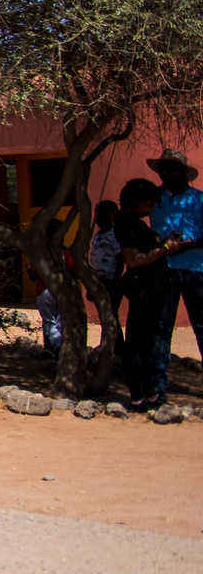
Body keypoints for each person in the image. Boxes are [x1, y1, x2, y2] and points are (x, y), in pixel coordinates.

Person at [114, 179, 181, 408]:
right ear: (138, 200)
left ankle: (148, 393)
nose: (152, 207)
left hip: (152, 290)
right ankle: (138, 396)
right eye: (149, 202)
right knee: (136, 344)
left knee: (146, 344)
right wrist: (164, 249)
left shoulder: (136, 224)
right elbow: (133, 261)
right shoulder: (127, 224)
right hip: (143, 291)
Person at [149, 146, 203, 386]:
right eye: (163, 169)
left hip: (196, 270)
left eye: (171, 169)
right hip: (163, 269)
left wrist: (186, 246)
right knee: (161, 326)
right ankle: (159, 381)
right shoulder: (153, 198)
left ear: (183, 172)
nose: (166, 174)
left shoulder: (199, 199)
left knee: (201, 324)